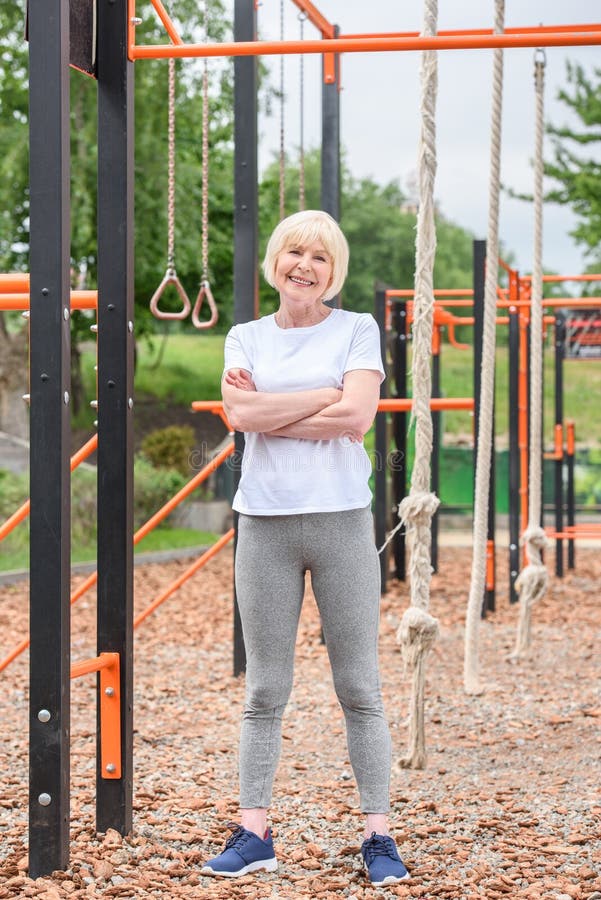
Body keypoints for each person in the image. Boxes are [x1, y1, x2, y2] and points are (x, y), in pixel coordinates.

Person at [201, 210, 409, 887]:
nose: (305, 265)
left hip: (342, 523)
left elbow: (355, 416)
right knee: (264, 688)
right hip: (264, 524)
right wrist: (321, 394)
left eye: (320, 257)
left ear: (333, 271)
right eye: (294, 252)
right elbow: (239, 416)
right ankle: (254, 832)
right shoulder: (245, 335)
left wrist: (279, 405)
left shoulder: (356, 329)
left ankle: (377, 835)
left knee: (359, 688)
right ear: (275, 261)